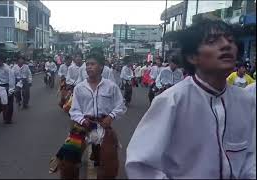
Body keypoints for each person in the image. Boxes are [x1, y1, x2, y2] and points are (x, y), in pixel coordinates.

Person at [126, 19, 256, 179]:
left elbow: (251, 157)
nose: (226, 45)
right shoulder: (171, 101)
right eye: (212, 41)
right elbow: (140, 164)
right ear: (192, 56)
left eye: (230, 40)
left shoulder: (246, 101)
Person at [57, 49, 126, 179]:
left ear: (101, 66)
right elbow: (74, 110)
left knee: (110, 164)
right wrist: (82, 120)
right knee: (67, 162)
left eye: (93, 64)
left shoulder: (111, 86)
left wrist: (111, 117)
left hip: (103, 127)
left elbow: (120, 106)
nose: (89, 67)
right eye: (87, 64)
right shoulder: (79, 88)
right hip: (82, 126)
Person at [0, 52, 15, 124]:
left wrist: (10, 91)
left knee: (9, 103)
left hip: (7, 86)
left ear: (3, 61)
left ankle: (8, 118)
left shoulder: (8, 69)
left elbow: (12, 81)